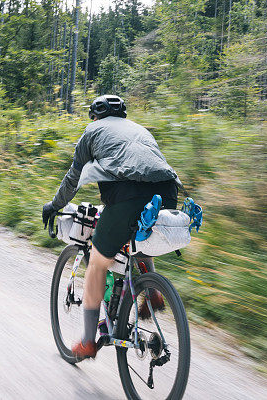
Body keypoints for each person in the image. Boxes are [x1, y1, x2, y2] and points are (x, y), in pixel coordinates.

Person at [42, 94, 180, 360]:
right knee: (140, 233)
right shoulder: (140, 130)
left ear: (95, 116)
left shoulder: (92, 131)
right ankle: (151, 292)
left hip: (128, 196)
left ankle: (87, 343)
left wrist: (53, 204)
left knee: (97, 262)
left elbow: (73, 178)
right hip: (168, 193)